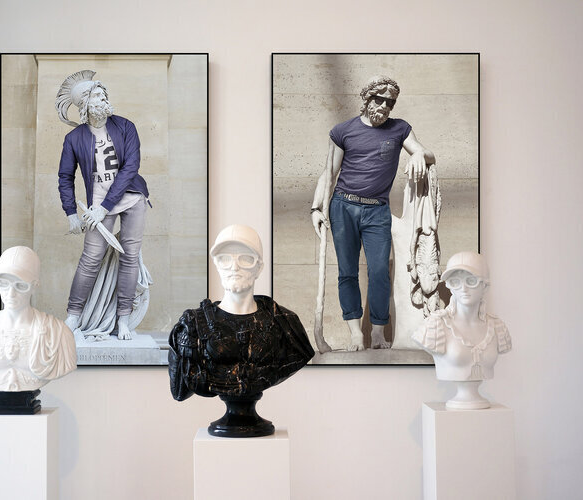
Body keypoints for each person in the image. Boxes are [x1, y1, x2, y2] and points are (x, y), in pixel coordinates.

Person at [311, 75, 436, 351]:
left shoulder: (400, 129)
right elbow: (329, 173)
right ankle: (356, 334)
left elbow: (427, 154)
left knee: (379, 271)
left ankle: (378, 333)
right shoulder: (342, 131)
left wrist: (419, 154)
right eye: (380, 100)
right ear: (367, 99)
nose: (384, 106)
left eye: (390, 103)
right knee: (347, 272)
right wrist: (317, 207)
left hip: (377, 210)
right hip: (343, 206)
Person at [168, 225, 314, 436]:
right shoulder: (193, 326)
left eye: (245, 258)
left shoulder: (285, 324)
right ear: (216, 265)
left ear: (259, 267)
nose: (234, 267)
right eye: (224, 259)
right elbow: (179, 391)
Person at [55, 70, 149, 340]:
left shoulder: (126, 126)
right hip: (97, 205)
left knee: (129, 256)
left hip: (130, 198)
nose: (103, 98)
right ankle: (73, 315)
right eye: (97, 95)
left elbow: (131, 168)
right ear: (85, 104)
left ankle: (123, 318)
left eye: (103, 93)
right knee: (90, 259)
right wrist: (71, 212)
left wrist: (105, 207)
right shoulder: (74, 139)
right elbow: (65, 176)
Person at [0, 246, 77, 400]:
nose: (10, 293)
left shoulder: (58, 334)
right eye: (3, 283)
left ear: (34, 286)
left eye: (20, 285)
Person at [412, 251, 511, 409]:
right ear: (450, 287)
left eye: (471, 281)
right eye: (455, 282)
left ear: (485, 286)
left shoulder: (497, 326)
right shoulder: (436, 325)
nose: (463, 288)